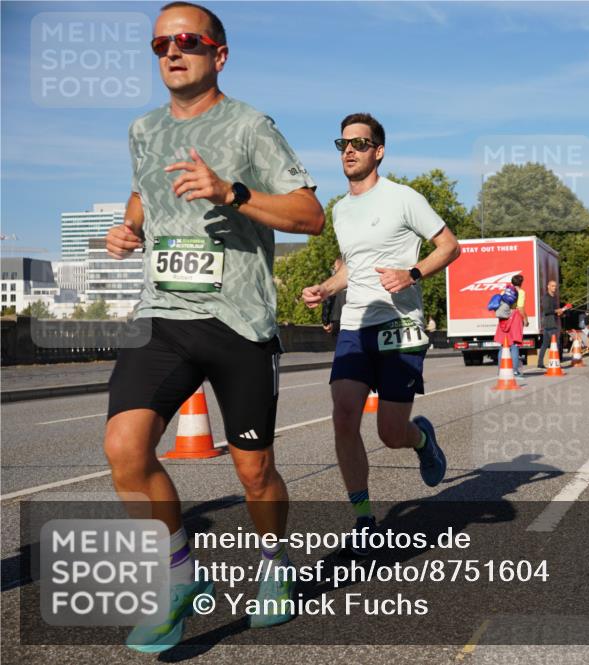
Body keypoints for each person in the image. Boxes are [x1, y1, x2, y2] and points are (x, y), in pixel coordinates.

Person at [102, 2, 325, 652]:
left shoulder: (251, 126)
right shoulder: (144, 130)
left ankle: (275, 564)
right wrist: (131, 228)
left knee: (254, 471)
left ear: (217, 55)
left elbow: (310, 215)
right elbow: (145, 191)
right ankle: (175, 580)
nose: (173, 52)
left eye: (188, 41)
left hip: (239, 322)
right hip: (164, 314)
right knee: (124, 447)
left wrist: (231, 192)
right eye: (160, 44)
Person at [301, 112, 460, 556]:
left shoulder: (404, 198)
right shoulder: (341, 209)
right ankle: (365, 518)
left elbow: (450, 246)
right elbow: (353, 265)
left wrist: (411, 273)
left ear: (378, 151)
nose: (349, 150)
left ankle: (422, 439)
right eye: (343, 144)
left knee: (391, 432)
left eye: (359, 143)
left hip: (400, 327)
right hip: (355, 324)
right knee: (344, 413)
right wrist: (326, 288)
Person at [495, 274, 526, 376]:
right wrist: (525, 319)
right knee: (514, 345)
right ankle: (514, 371)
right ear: (521, 282)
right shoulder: (521, 292)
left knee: (503, 345)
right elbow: (520, 308)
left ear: (512, 282)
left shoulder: (505, 291)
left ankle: (501, 370)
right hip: (515, 318)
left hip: (503, 318)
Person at [537, 279, 569, 369]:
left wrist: (560, 312)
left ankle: (540, 363)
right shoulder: (546, 297)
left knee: (545, 344)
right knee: (556, 343)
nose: (554, 288)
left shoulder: (553, 297)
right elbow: (547, 310)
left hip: (551, 322)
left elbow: (554, 311)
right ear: (548, 286)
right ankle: (556, 361)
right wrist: (556, 310)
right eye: (552, 286)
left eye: (555, 286)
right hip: (549, 323)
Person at [321, 257, 346, 335]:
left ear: (339, 266)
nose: (334, 269)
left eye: (334, 267)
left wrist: (325, 322)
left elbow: (327, 301)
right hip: (354, 319)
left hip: (336, 319)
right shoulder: (355, 280)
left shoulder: (334, 283)